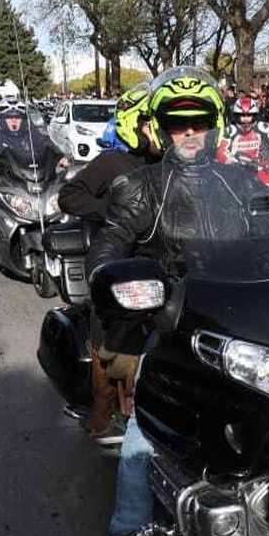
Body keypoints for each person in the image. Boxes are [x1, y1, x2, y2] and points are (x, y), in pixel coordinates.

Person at [86, 69, 238, 536]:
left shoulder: (236, 183)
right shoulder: (139, 188)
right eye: (178, 124)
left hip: (236, 320)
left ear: (215, 126)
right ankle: (129, 531)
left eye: (200, 122)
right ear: (160, 128)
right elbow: (104, 256)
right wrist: (133, 291)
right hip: (170, 326)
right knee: (142, 438)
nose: (190, 133)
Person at [57, 86, 154, 444]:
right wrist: (113, 211)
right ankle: (105, 407)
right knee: (107, 335)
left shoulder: (173, 165)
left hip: (165, 265)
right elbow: (69, 196)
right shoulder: (112, 163)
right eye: (150, 123)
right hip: (119, 263)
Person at [0, 103, 55, 288]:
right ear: (3, 121)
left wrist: (60, 157)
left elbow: (49, 147)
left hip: (30, 185)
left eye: (18, 118)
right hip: (5, 187)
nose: (14, 121)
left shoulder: (34, 137)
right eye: (10, 118)